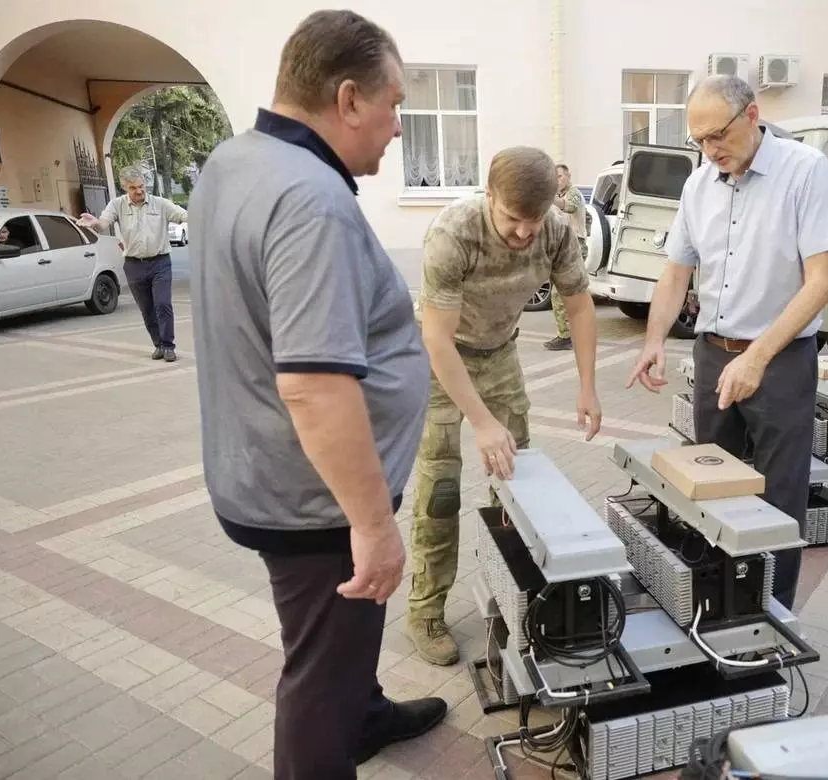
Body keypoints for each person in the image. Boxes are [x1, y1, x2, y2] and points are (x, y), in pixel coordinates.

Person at [187, 10, 445, 778]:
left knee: (337, 647)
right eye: (394, 104)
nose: (398, 127)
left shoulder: (239, 159)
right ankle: (336, 730)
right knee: (318, 681)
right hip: (316, 501)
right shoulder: (310, 200)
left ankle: (363, 713)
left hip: (263, 470)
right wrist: (371, 525)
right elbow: (312, 384)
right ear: (348, 99)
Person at [626, 75, 828, 611]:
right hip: (713, 356)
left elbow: (821, 280)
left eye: (717, 135)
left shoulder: (804, 171)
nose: (710, 150)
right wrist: (654, 338)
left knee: (778, 499)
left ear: (752, 115)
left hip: (779, 361)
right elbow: (676, 271)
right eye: (699, 140)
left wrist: (757, 356)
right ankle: (717, 605)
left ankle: (771, 619)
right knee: (711, 491)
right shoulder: (698, 184)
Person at [408, 146, 602, 666]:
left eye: (534, 220)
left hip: (501, 354)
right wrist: (481, 421)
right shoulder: (453, 234)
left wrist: (587, 384)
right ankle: (425, 608)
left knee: (519, 483)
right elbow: (438, 341)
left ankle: (513, 592)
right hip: (438, 361)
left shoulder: (557, 230)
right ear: (489, 195)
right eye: (514, 219)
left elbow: (579, 306)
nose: (524, 233)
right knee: (440, 490)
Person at [77, 167, 186, 362]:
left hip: (160, 262)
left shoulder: (160, 204)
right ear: (125, 188)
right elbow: (103, 223)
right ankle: (158, 344)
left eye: (141, 186)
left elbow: (184, 215)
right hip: (134, 265)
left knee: (163, 304)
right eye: (133, 187)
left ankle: (169, 346)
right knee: (147, 308)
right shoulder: (117, 205)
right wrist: (94, 222)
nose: (139, 191)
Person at [545, 163, 588, 351]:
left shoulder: (574, 193)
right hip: (562, 246)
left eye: (560, 176)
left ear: (568, 177)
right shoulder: (557, 198)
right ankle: (567, 334)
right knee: (561, 293)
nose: (557, 180)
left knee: (563, 293)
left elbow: (569, 207)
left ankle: (567, 336)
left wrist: (551, 199)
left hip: (575, 245)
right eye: (554, 178)